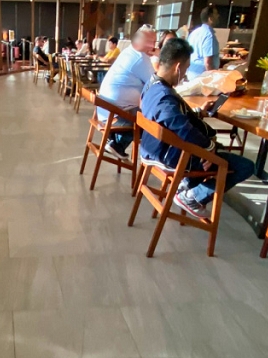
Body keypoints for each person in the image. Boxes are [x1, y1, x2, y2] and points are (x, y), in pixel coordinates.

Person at [140, 38, 255, 220]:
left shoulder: (152, 84)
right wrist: (208, 149)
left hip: (155, 148)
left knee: (215, 152)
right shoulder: (165, 97)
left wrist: (197, 113)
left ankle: (187, 184)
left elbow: (171, 117)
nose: (185, 75)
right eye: (185, 69)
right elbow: (179, 126)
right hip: (170, 155)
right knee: (245, 166)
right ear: (178, 67)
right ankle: (193, 196)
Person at [97, 25, 158, 157]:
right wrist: (160, 57)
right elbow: (157, 83)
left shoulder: (129, 51)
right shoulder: (140, 58)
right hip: (115, 114)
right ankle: (118, 145)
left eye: (154, 41)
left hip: (105, 109)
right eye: (150, 41)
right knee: (152, 124)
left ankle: (114, 139)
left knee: (145, 113)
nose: (152, 46)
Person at [186, 7, 219, 80]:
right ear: (210, 18)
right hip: (203, 78)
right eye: (216, 14)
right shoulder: (209, 35)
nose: (218, 16)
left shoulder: (194, 33)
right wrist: (214, 79)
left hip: (191, 74)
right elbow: (208, 63)